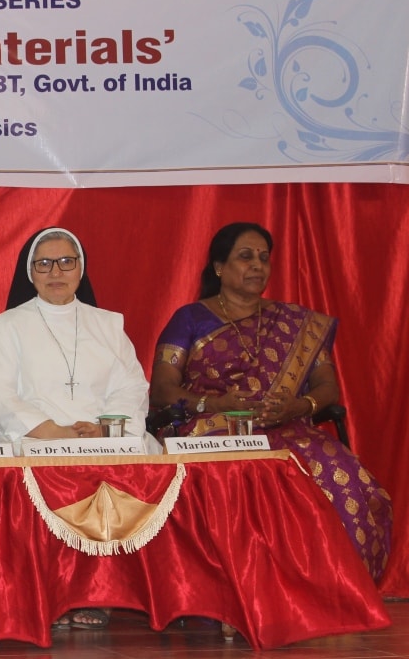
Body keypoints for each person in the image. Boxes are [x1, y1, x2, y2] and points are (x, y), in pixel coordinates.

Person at [151, 222, 392, 580]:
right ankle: (246, 584)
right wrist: (215, 404)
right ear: (219, 267)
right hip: (214, 427)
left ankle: (333, 585)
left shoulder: (297, 322)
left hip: (287, 425)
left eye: (264, 258)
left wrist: (300, 406)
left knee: (336, 469)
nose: (257, 265)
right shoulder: (190, 319)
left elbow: (327, 386)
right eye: (245, 256)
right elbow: (162, 390)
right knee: (244, 474)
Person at [0, 227, 156, 631]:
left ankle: (97, 593)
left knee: (125, 469)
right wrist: (49, 430)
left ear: (80, 268)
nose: (55, 272)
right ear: (30, 272)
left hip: (101, 439)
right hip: (35, 437)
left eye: (65, 262)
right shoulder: (7, 325)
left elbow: (131, 386)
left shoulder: (108, 324)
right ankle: (46, 595)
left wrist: (105, 429)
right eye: (44, 263)